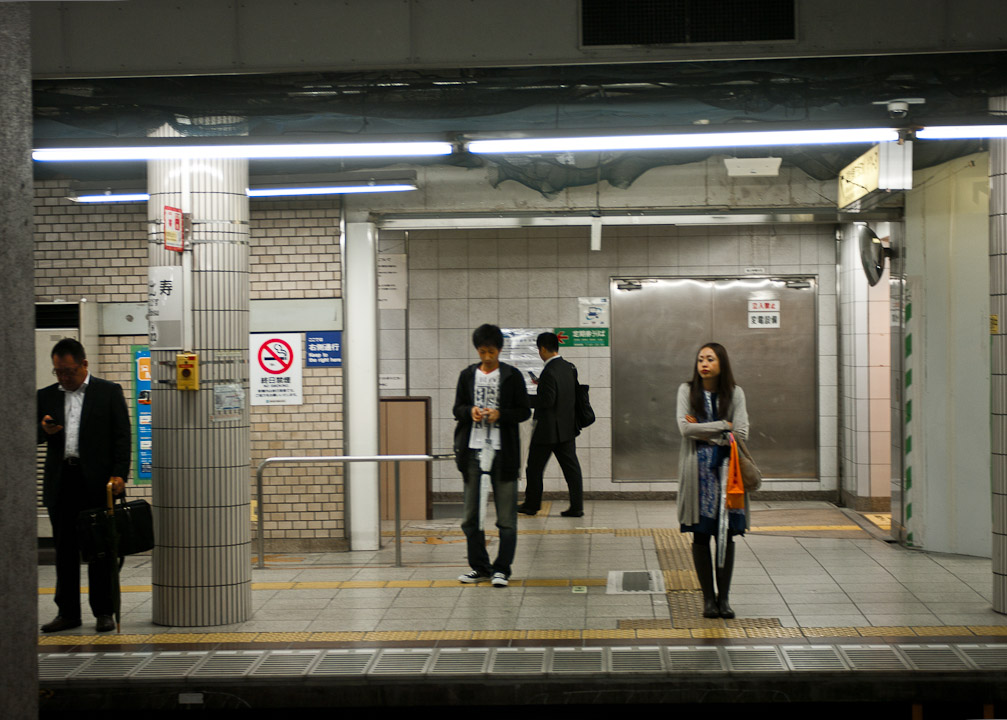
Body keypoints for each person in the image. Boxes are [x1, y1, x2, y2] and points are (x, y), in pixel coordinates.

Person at [37, 338, 131, 633]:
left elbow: (122, 437)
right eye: (58, 372)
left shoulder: (108, 392)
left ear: (84, 364)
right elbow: (30, 434)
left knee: (100, 551)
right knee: (63, 550)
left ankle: (104, 612)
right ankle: (67, 613)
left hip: (97, 483)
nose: (64, 377)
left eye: (69, 371)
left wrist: (119, 475)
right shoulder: (45, 396)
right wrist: (43, 430)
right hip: (62, 480)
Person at [453, 324, 530, 587]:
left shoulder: (512, 376)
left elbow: (524, 411)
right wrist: (470, 412)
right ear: (477, 350)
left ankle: (502, 569)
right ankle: (480, 567)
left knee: (506, 518)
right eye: (483, 351)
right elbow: (457, 408)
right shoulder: (467, 375)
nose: (487, 357)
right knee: (470, 517)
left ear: (500, 349)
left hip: (503, 453)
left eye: (492, 352)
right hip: (473, 452)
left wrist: (501, 414)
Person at [677, 342, 749, 619]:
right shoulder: (687, 391)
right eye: (700, 359)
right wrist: (723, 426)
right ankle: (708, 599)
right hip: (697, 473)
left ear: (722, 363)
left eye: (710, 359)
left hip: (728, 473)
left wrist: (706, 430)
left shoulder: (735, 393)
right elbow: (685, 429)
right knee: (700, 534)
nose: (704, 364)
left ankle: (725, 599)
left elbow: (741, 432)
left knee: (727, 535)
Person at [518, 332, 584, 517]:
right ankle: (577, 507)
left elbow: (547, 401)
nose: (539, 353)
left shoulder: (549, 371)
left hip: (547, 431)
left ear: (543, 349)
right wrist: (542, 383)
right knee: (572, 469)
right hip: (567, 428)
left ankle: (531, 505)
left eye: (539, 349)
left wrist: (524, 400)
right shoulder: (568, 367)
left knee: (535, 468)